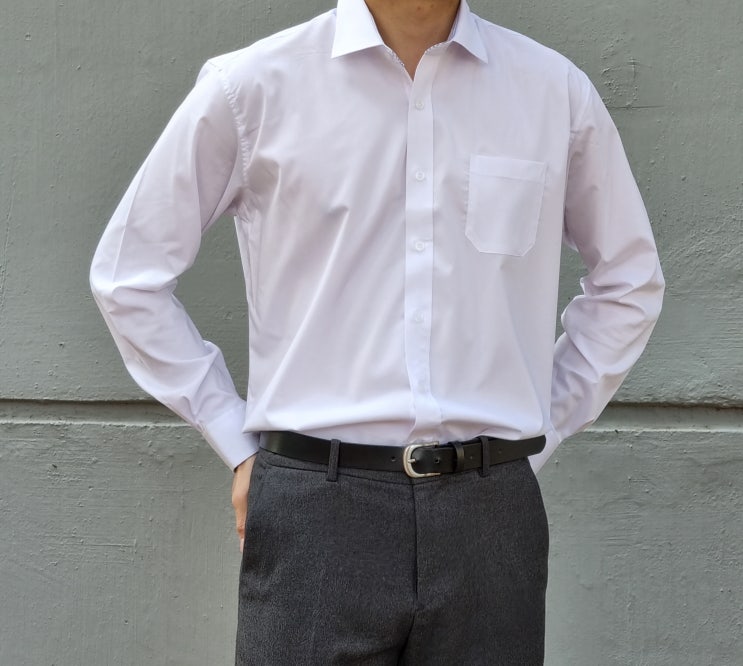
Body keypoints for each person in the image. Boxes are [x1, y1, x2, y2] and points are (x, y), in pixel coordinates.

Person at [90, 0, 665, 663]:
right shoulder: (252, 86)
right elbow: (127, 278)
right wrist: (233, 437)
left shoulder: (552, 90)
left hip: (489, 518)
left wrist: (531, 437)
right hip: (316, 508)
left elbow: (629, 282)